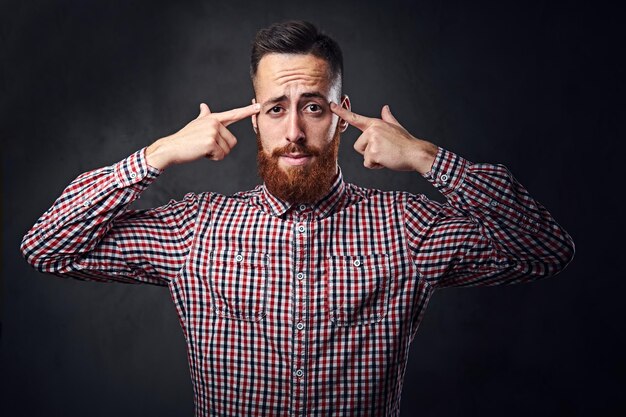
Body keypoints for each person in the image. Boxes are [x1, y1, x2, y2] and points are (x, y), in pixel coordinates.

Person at [20, 20, 575, 417]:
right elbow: (47, 246)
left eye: (313, 107)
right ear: (255, 119)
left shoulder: (408, 228)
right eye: (274, 109)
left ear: (340, 115)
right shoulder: (195, 229)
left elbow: (545, 249)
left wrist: (427, 158)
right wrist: (157, 153)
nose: (293, 133)